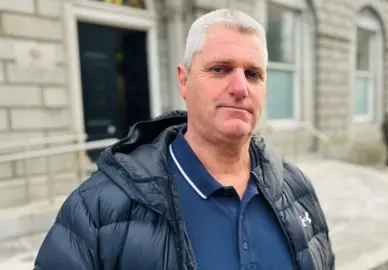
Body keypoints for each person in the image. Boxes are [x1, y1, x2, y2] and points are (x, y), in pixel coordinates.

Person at [34, 9, 335, 270]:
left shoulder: (296, 190)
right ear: (184, 80)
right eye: (220, 69)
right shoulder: (96, 210)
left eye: (254, 74)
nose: (241, 87)